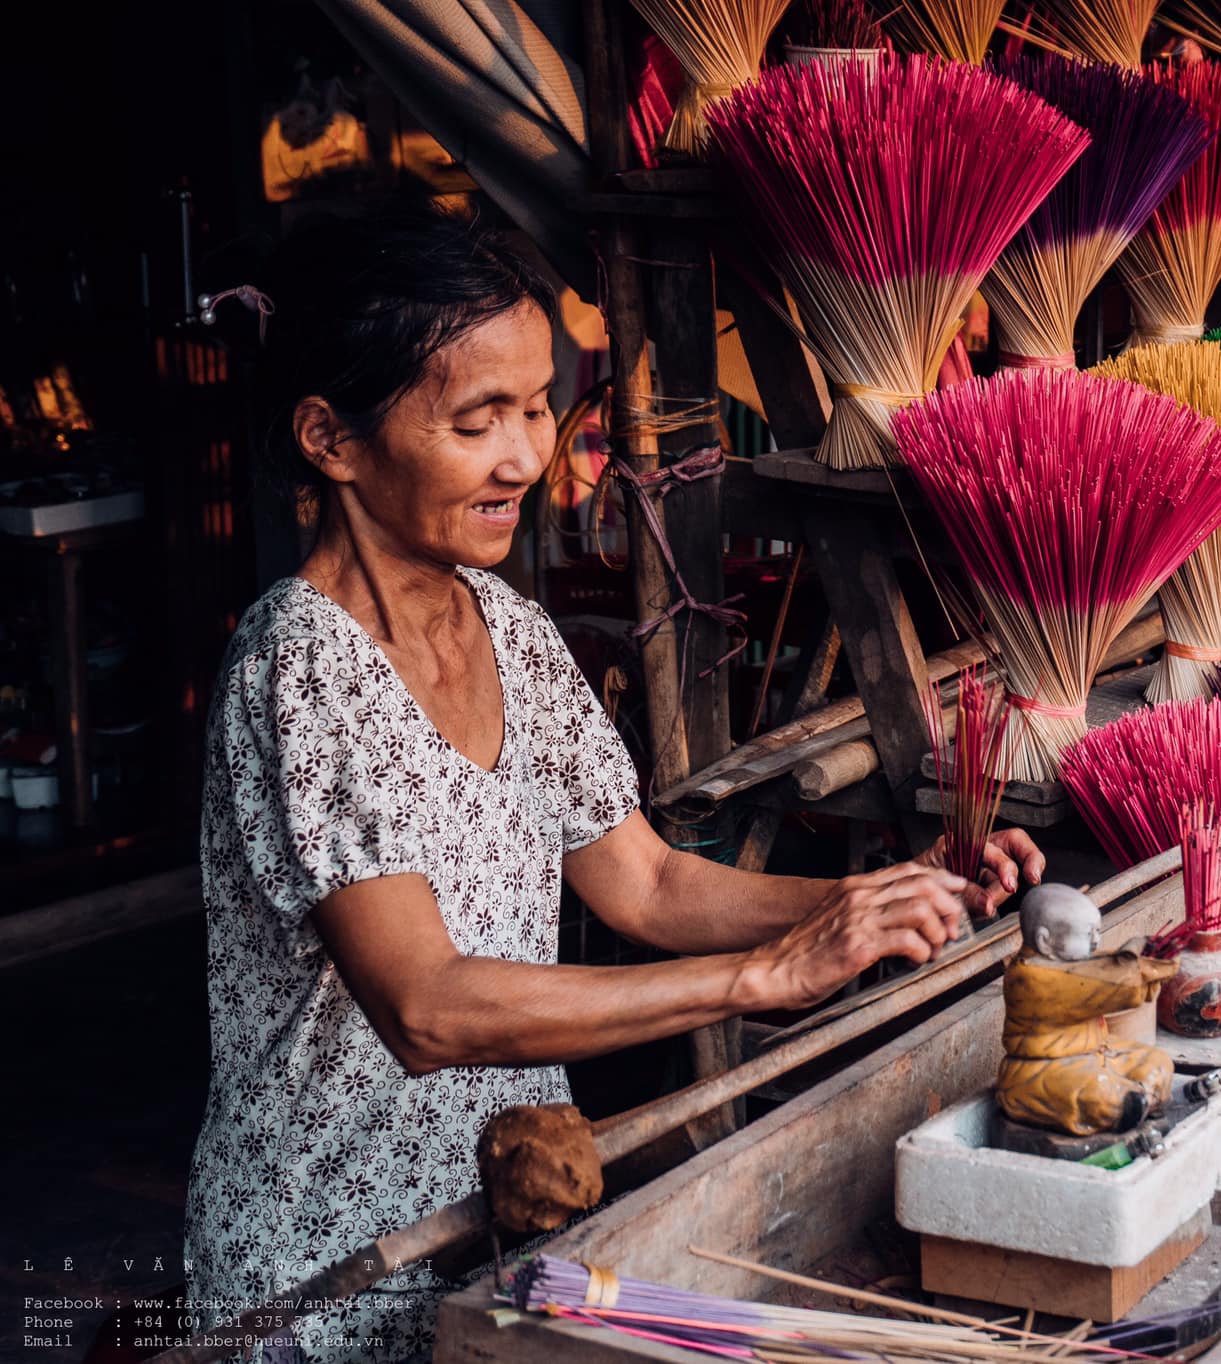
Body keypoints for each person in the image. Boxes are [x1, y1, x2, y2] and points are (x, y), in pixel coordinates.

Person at [185, 202, 1045, 1364]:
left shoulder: (510, 630)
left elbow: (647, 883)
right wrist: (757, 974)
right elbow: (425, 1006)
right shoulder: (299, 664)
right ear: (330, 438)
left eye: (536, 406)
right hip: (330, 1262)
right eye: (475, 420)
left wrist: (885, 901)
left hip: (501, 1219)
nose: (524, 456)